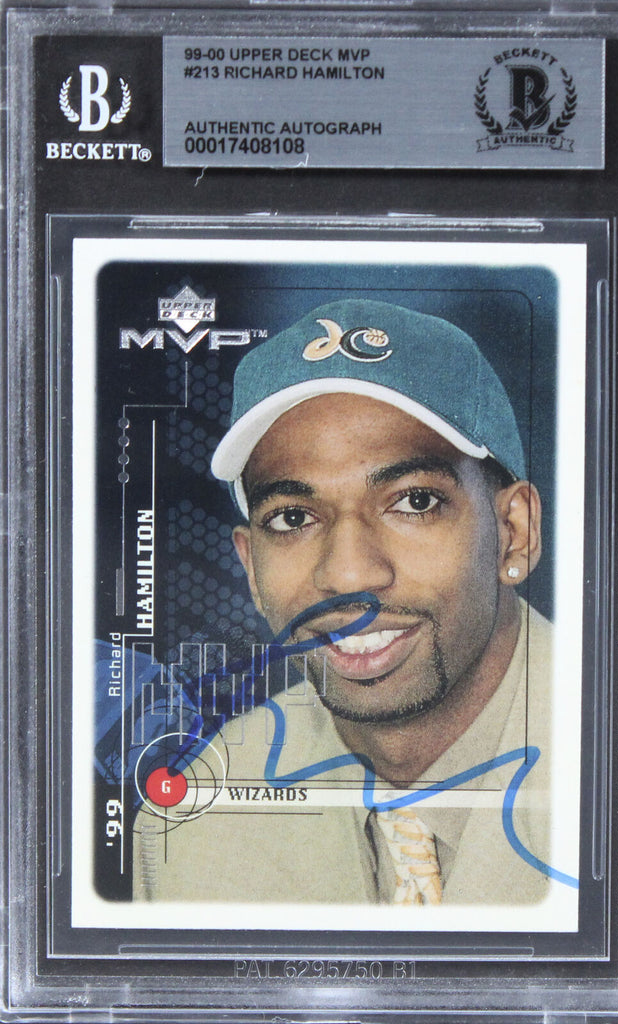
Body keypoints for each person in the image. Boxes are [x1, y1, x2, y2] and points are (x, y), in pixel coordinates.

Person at [133, 299, 552, 906]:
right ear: (251, 569)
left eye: (414, 502)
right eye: (293, 518)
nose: (350, 574)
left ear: (514, 532)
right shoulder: (195, 823)